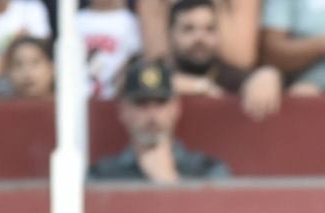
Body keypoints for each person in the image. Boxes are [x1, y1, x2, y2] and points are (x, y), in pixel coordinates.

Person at [88, 58, 231, 181]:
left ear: (175, 108)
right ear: (123, 110)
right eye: (141, 103)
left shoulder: (208, 172)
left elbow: (224, 211)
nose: (152, 114)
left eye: (160, 103)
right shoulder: (102, 176)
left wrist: (169, 180)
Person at [166, 0, 283, 119]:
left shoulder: (228, 75)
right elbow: (158, 79)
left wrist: (267, 75)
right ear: (171, 34)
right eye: (189, 29)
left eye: (209, 29)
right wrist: (202, 87)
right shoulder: (159, 71)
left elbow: (255, 78)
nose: (200, 38)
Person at [0, 31, 55, 97]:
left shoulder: (68, 103)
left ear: (52, 67)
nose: (27, 72)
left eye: (35, 62)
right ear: (8, 71)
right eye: (18, 64)